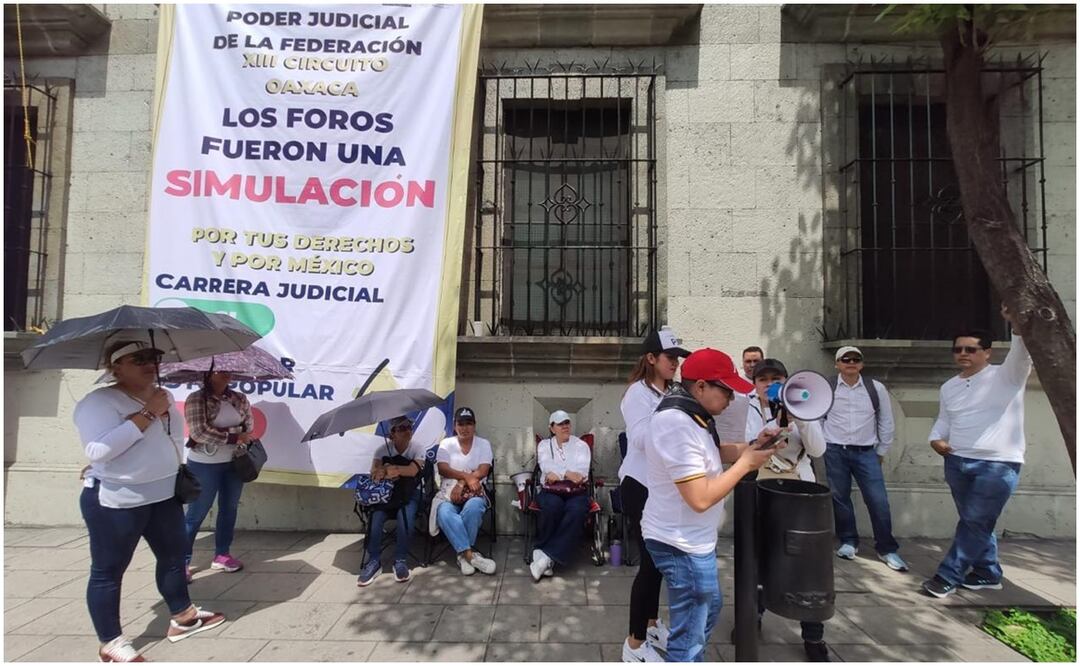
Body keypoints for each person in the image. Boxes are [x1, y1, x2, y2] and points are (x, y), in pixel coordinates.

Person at [74, 337, 226, 662]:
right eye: (137, 358)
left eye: (153, 356)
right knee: (109, 571)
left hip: (162, 493)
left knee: (173, 557)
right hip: (117, 500)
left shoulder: (163, 396)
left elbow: (170, 439)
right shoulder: (98, 402)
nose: (148, 363)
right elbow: (99, 450)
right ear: (116, 366)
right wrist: (147, 413)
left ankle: (183, 616)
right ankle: (111, 642)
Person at [642, 348, 778, 663]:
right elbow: (700, 498)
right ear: (701, 386)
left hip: (691, 540)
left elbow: (712, 453)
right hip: (680, 542)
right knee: (688, 639)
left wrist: (754, 445)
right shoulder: (677, 423)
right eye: (726, 390)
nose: (731, 398)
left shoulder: (692, 415)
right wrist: (745, 464)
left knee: (707, 610)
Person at [921, 306, 1032, 599]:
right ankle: (987, 573)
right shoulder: (949, 387)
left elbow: (1022, 354)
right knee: (977, 523)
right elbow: (945, 420)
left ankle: (948, 576)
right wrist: (935, 439)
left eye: (971, 349)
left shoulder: (1007, 376)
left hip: (997, 465)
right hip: (957, 461)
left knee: (974, 522)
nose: (963, 354)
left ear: (987, 352)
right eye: (958, 349)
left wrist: (1016, 324)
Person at [745, 358, 830, 662]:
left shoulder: (804, 405)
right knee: (758, 555)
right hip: (763, 484)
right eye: (763, 379)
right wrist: (775, 424)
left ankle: (813, 635)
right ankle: (752, 617)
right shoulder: (748, 407)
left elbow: (818, 450)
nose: (770, 384)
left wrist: (802, 418)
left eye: (776, 378)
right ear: (755, 384)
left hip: (798, 485)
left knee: (808, 561)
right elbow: (748, 445)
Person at [619, 326, 688, 662]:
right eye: (670, 357)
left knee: (658, 564)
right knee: (649, 565)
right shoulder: (638, 394)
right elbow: (642, 441)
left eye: (678, 358)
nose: (675, 363)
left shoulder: (671, 392)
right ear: (651, 358)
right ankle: (634, 646)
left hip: (661, 489)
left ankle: (649, 623)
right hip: (639, 486)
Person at [822, 346, 907, 571]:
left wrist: (881, 451)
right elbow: (818, 416)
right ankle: (848, 541)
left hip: (866, 452)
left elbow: (886, 420)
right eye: (845, 359)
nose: (851, 362)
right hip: (835, 450)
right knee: (840, 498)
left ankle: (887, 548)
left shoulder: (875, 388)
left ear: (861, 363)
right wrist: (823, 442)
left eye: (855, 359)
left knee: (877, 500)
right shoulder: (828, 387)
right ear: (837, 364)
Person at [182, 369, 254, 582]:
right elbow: (199, 432)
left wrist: (224, 433)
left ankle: (222, 554)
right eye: (221, 371)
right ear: (208, 374)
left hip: (235, 462)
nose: (227, 375)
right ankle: (182, 561)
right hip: (205, 464)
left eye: (229, 371)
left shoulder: (238, 398)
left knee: (229, 509)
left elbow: (248, 427)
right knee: (196, 513)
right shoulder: (196, 399)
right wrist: (233, 436)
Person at [357, 415, 426, 586]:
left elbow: (412, 471)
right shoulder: (382, 450)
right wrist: (381, 471)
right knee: (376, 517)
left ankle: (400, 560)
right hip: (386, 494)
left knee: (406, 517)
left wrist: (389, 468)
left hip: (411, 493)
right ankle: (373, 561)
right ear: (392, 434)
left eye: (409, 427)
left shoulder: (418, 448)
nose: (407, 431)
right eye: (401, 428)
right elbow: (374, 472)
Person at [433, 406, 498, 576]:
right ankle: (470, 555)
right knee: (444, 512)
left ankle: (462, 556)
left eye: (468, 423)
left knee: (474, 508)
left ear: (474, 425)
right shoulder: (446, 444)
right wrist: (467, 476)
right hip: (448, 493)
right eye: (460, 423)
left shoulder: (483, 444)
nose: (464, 427)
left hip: (474, 492)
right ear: (454, 425)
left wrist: (462, 482)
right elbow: (443, 469)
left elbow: (484, 470)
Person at [529, 410, 593, 581]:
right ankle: (549, 557)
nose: (565, 426)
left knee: (577, 511)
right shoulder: (544, 445)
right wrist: (567, 472)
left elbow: (580, 474)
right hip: (550, 490)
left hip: (576, 491)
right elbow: (546, 467)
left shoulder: (581, 445)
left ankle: (544, 556)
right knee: (552, 506)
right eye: (560, 423)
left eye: (567, 422)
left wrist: (560, 473)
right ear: (551, 428)